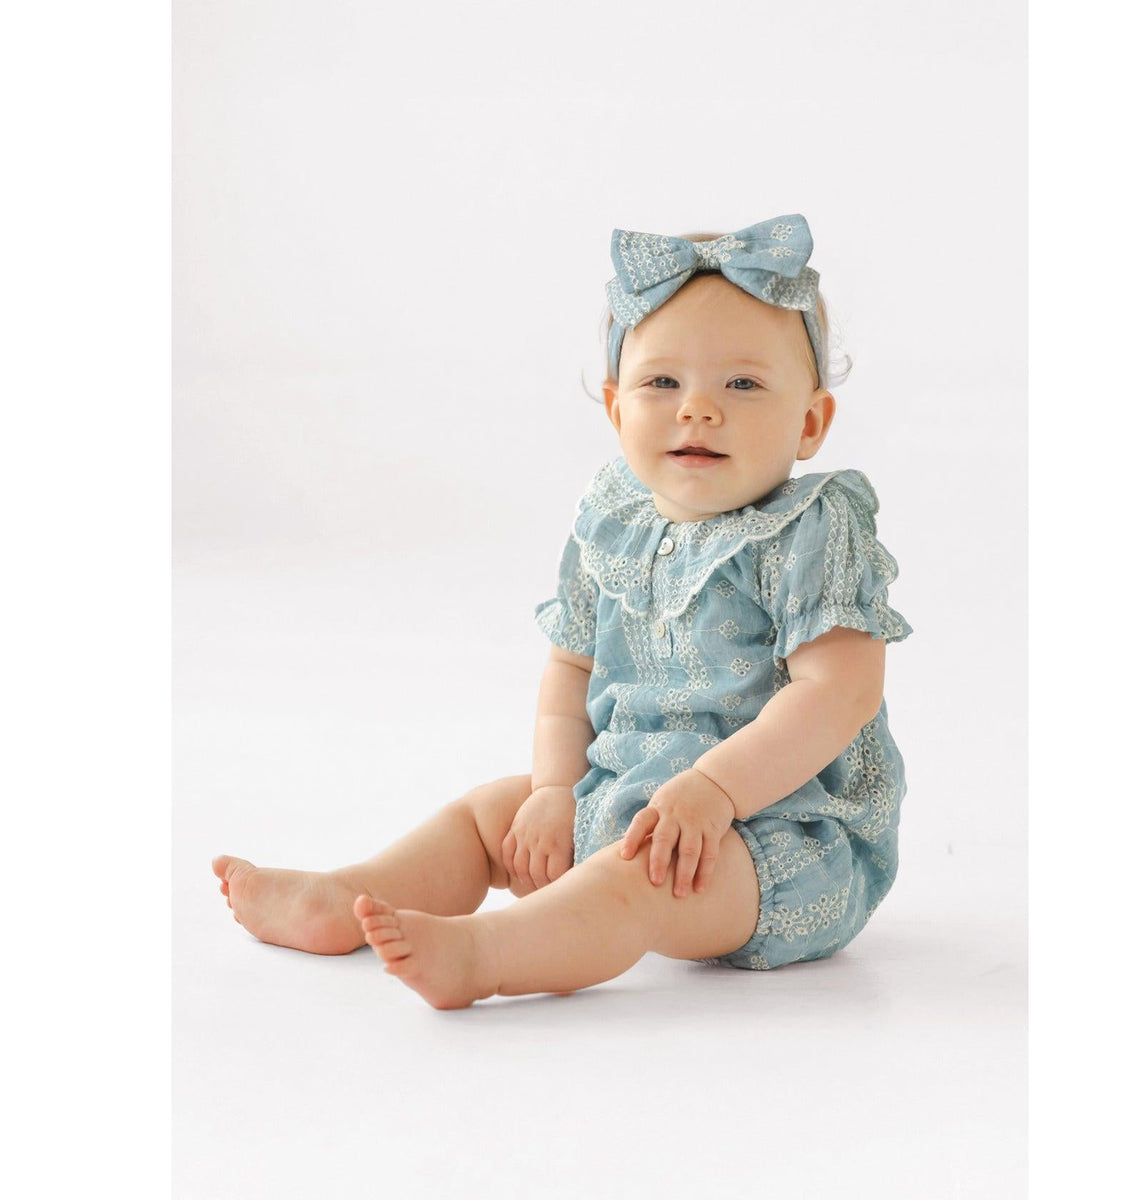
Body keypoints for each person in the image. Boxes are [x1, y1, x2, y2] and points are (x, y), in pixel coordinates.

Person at [213, 213, 913, 1010]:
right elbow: (571, 667)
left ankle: (489, 954)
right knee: (491, 815)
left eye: (743, 384)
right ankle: (345, 898)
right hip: (626, 793)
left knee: (636, 880)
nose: (697, 409)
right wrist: (553, 790)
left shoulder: (814, 529)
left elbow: (837, 693)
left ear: (811, 422)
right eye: (662, 383)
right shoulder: (612, 517)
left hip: (774, 840)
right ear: (615, 409)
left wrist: (714, 792)